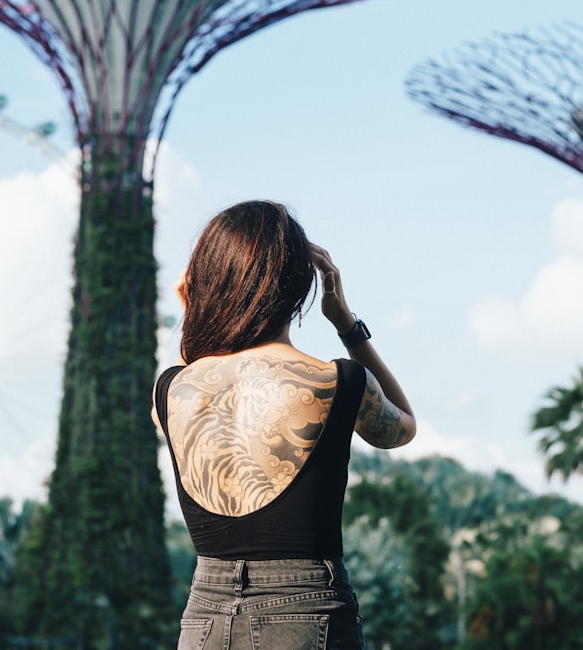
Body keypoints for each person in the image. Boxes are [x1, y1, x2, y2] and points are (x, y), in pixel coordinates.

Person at [151, 199, 416, 649]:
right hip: (306, 610)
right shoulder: (338, 381)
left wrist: (195, 315)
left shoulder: (172, 390)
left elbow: (181, 391)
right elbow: (402, 426)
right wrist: (345, 322)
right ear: (301, 284)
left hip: (204, 617)